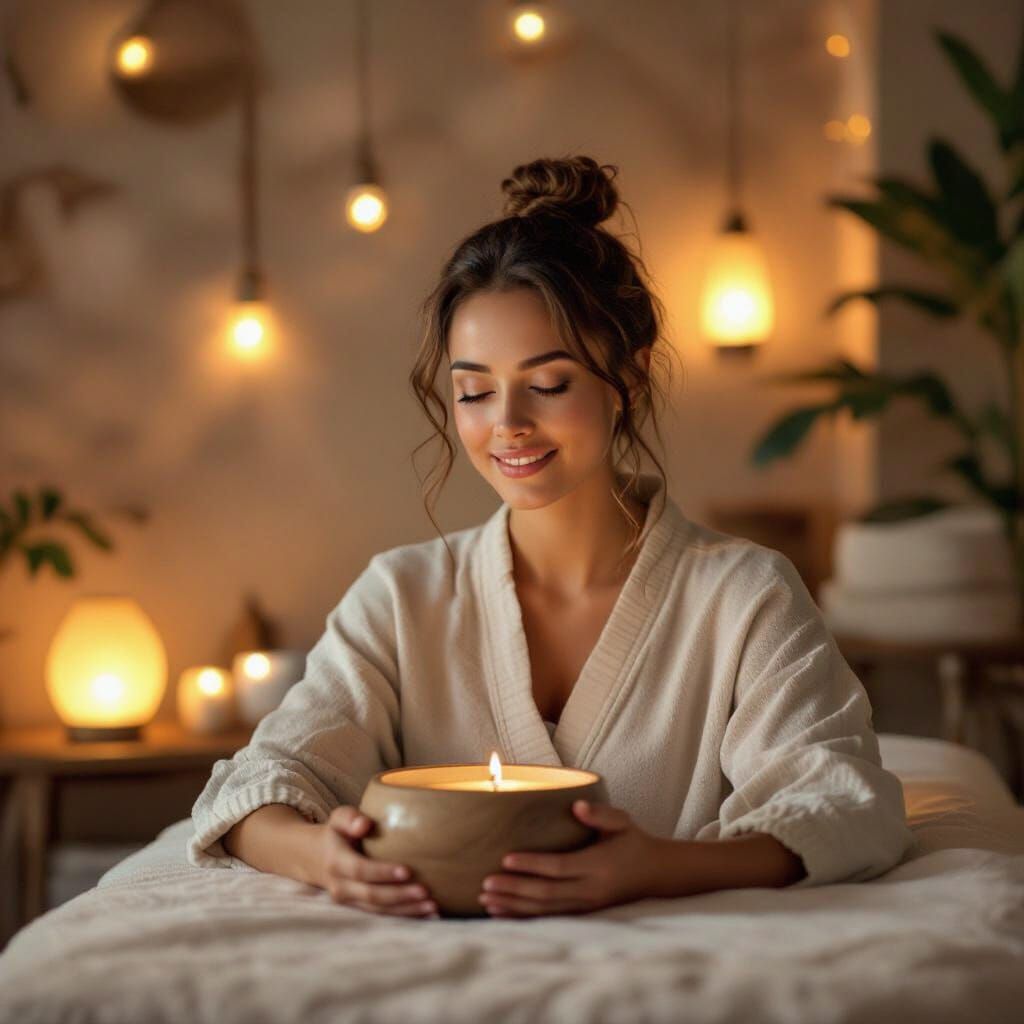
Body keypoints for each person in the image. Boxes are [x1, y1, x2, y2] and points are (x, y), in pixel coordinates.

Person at [188, 155, 914, 920]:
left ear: (626, 381)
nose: (507, 424)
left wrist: (655, 868)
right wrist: (321, 857)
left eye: (549, 383)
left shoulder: (742, 595)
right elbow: (263, 782)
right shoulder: (402, 596)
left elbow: (845, 802)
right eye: (473, 391)